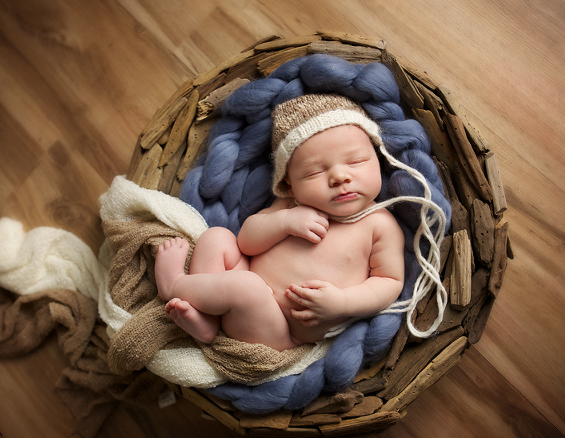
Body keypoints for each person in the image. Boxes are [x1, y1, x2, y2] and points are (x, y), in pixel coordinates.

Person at [154, 94, 405, 351]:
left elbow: (389, 281)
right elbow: (246, 243)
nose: (340, 177)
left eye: (356, 162)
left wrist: (342, 302)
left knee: (247, 287)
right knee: (217, 237)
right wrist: (284, 222)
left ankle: (175, 285)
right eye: (315, 171)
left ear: (378, 159)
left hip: (279, 332)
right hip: (243, 287)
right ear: (290, 185)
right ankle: (206, 318)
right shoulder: (291, 206)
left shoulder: (379, 224)